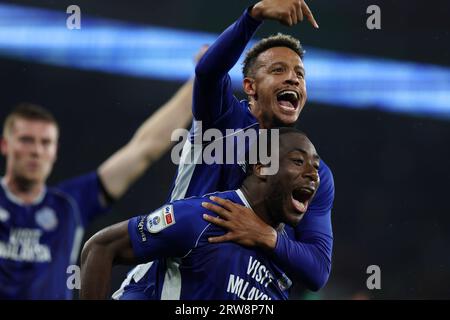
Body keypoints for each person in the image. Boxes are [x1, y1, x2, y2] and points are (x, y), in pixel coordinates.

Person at [115, 0, 334, 299]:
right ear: (250, 86)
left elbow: (318, 270)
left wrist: (265, 235)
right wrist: (253, 16)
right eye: (278, 69)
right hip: (169, 281)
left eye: (300, 73)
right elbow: (207, 73)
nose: (293, 78)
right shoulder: (221, 121)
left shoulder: (313, 173)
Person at [0, 76, 195, 299]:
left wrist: (200, 79)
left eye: (45, 143)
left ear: (55, 151)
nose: (36, 150)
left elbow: (144, 148)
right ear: (5, 145)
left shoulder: (70, 203)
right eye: (26, 140)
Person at [80, 128, 323, 300]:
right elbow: (100, 247)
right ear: (261, 167)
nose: (313, 174)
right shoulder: (206, 216)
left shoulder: (286, 260)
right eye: (298, 161)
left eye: (317, 167)